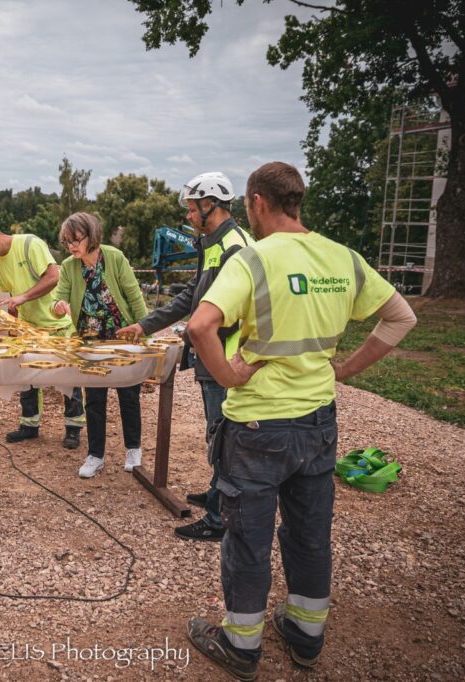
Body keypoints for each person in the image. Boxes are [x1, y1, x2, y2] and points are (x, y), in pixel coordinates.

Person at [183, 162, 416, 680]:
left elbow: (201, 324)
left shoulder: (254, 258)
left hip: (257, 428)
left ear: (258, 202)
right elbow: (401, 316)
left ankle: (241, 643)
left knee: (247, 536)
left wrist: (230, 376)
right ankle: (306, 634)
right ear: (297, 201)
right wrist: (346, 369)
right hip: (317, 423)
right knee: (310, 533)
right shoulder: (343, 258)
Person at [119, 171, 254, 542]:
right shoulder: (212, 244)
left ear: (211, 205)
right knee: (217, 433)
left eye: (193, 209)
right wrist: (145, 325)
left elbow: (237, 310)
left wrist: (199, 331)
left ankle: (218, 517)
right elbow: (191, 294)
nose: (189, 216)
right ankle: (216, 491)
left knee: (225, 437)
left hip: (224, 359)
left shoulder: (235, 249)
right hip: (212, 357)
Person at [0, 214, 85, 449]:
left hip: (57, 323)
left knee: (69, 376)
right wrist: (13, 325)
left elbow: (53, 277)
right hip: (29, 328)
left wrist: (24, 297)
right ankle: (29, 424)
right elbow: (13, 299)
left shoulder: (30, 244)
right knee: (26, 378)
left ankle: (73, 427)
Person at [52, 212, 148, 478]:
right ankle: (95, 454)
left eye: (76, 240)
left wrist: (146, 330)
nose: (71, 246)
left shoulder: (114, 257)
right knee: (94, 398)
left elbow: (134, 296)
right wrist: (59, 307)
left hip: (123, 336)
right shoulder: (69, 266)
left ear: (91, 236)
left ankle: (133, 449)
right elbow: (57, 301)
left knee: (128, 395)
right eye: (67, 241)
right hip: (90, 340)